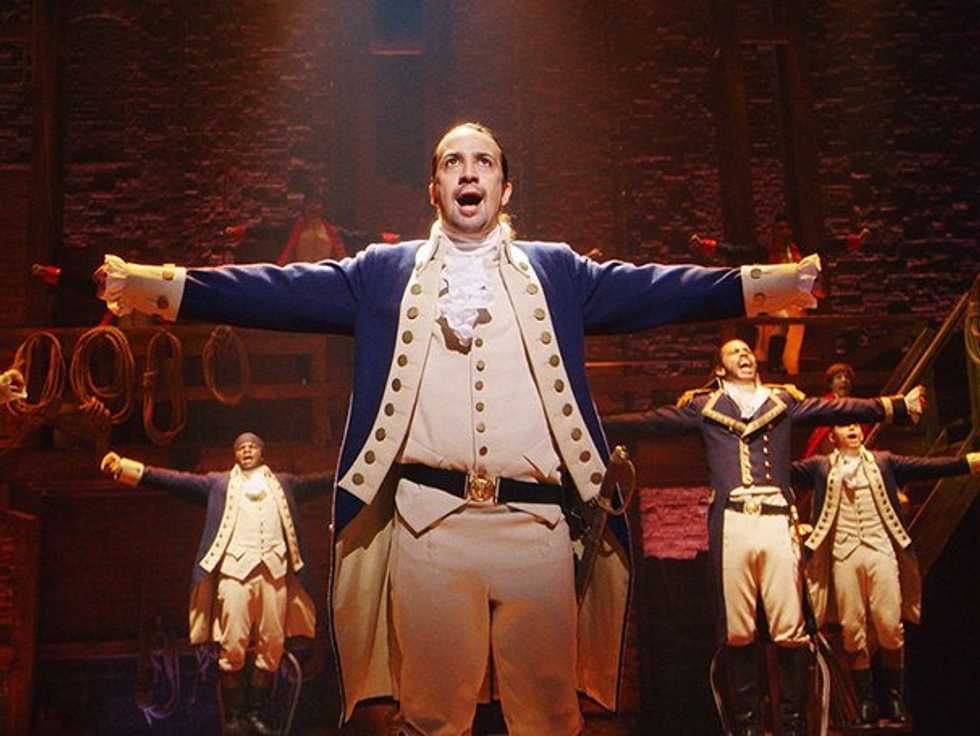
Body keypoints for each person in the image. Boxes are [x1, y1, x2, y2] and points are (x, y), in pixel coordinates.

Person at [94, 121, 821, 735]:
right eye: (452, 163)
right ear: (434, 190)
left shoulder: (556, 271)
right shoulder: (383, 273)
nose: (468, 173)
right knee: (432, 715)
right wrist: (158, 288)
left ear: (505, 189)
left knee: (549, 716)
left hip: (538, 530)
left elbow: (655, 288)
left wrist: (767, 286)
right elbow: (276, 291)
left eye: (484, 163)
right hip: (429, 527)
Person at [602, 339, 923, 736]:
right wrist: (596, 423)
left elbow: (836, 409)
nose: (744, 355)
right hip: (734, 520)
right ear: (719, 369)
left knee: (789, 628)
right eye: (733, 352)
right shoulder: (704, 406)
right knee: (738, 630)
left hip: (775, 518)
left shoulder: (781, 401)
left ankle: (792, 727)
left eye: (747, 351)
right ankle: (748, 729)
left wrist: (894, 407)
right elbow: (652, 421)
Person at [101, 433, 333, 735]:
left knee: (272, 645)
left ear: (262, 453)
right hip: (234, 573)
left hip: (274, 573)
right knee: (232, 643)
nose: (247, 451)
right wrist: (126, 468)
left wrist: (357, 472)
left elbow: (321, 482)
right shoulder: (219, 484)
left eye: (252, 447)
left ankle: (256, 713)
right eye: (241, 448)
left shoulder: (284, 483)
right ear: (235, 454)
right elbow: (176, 481)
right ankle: (234, 718)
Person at [792, 425, 978, 727]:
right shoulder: (821, 467)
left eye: (855, 424)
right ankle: (866, 700)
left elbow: (925, 467)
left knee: (889, 624)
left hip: (880, 549)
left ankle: (894, 697)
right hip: (844, 553)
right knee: (852, 627)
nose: (852, 428)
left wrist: (966, 463)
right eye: (844, 424)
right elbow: (783, 473)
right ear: (832, 436)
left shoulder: (883, 461)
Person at [224, 189, 399, 264]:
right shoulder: (293, 230)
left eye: (317, 204)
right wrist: (243, 231)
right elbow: (268, 231)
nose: (314, 207)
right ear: (305, 206)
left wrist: (382, 237)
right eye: (310, 204)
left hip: (324, 276)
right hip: (299, 274)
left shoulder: (332, 232)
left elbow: (357, 236)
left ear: (322, 207)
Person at [754, 213, 807, 375]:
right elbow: (738, 251)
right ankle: (774, 365)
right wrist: (710, 246)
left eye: (786, 228)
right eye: (779, 229)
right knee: (780, 321)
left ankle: (786, 370)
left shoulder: (797, 252)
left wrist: (854, 241)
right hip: (772, 300)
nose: (784, 232)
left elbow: (826, 246)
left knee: (792, 347)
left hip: (795, 304)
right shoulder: (766, 252)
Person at [802, 362, 868, 459]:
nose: (844, 380)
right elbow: (821, 435)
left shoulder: (856, 405)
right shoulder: (824, 405)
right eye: (838, 377)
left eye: (847, 378)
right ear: (831, 384)